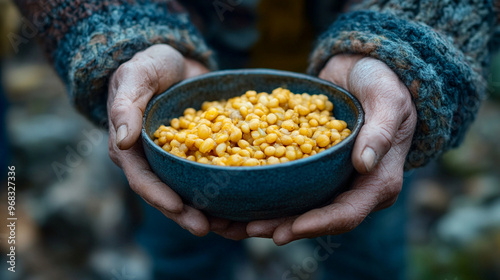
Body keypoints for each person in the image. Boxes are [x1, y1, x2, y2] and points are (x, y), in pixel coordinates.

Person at [13, 0, 499, 279]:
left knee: (369, 235)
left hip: (372, 48)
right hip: (186, 35)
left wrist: (412, 42)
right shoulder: (197, 126)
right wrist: (122, 32)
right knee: (182, 240)